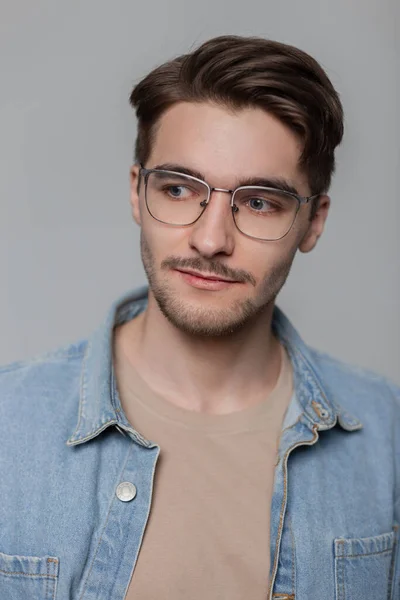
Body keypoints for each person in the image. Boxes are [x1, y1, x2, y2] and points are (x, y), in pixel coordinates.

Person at [0, 35, 398, 600]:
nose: (211, 240)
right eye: (180, 189)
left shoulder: (387, 438)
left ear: (313, 223)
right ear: (138, 193)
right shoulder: (7, 427)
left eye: (260, 201)